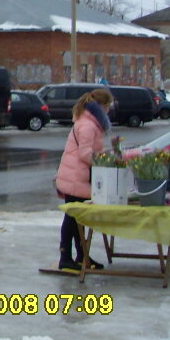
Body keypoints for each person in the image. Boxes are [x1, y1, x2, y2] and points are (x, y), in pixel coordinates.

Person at [54, 87, 115, 271]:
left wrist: (105, 155)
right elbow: (85, 154)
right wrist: (104, 161)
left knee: (79, 220)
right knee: (72, 219)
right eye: (108, 106)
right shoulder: (88, 125)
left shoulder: (91, 122)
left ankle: (82, 256)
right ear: (102, 106)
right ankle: (65, 257)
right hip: (75, 178)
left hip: (78, 177)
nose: (109, 110)